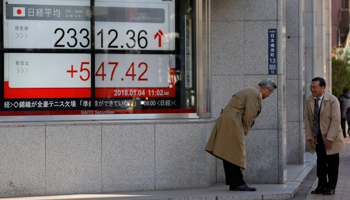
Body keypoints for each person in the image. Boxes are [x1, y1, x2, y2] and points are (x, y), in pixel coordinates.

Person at [205, 79, 277, 191]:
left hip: (228, 119)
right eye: (270, 93)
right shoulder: (256, 93)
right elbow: (250, 115)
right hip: (233, 121)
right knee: (235, 152)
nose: (268, 96)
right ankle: (237, 183)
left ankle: (235, 182)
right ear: (266, 88)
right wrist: (243, 131)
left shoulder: (251, 89)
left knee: (228, 151)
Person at [304, 77, 345, 195]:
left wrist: (329, 139)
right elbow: (307, 119)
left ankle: (331, 186)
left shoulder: (332, 100)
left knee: (332, 163)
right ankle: (321, 185)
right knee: (321, 162)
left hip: (331, 138)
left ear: (323, 88)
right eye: (311, 87)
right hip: (317, 137)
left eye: (314, 87)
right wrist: (310, 137)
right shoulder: (309, 100)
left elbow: (336, 121)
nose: (312, 90)